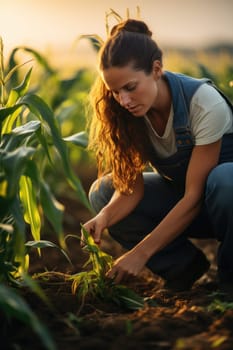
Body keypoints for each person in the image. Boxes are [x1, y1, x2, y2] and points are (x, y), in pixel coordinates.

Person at [82, 18, 233, 292]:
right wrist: (104, 216)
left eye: (130, 87)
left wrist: (140, 254)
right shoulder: (128, 114)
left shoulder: (203, 103)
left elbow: (195, 196)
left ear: (156, 69)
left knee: (225, 180)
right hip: (188, 202)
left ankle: (229, 282)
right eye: (115, 92)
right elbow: (130, 188)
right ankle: (183, 266)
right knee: (103, 192)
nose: (124, 101)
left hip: (221, 203)